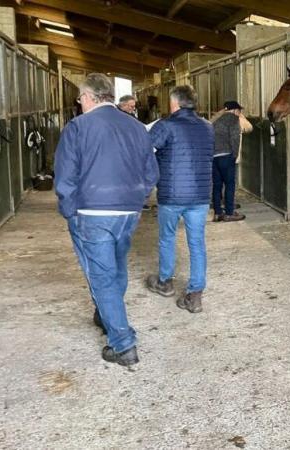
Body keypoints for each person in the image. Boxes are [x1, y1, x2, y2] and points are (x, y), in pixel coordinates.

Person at [54, 73, 158, 367]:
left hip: (92, 212)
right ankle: (106, 314)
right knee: (116, 265)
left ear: (87, 97)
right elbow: (151, 173)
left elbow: (65, 176)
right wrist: (137, 199)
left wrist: (69, 209)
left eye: (80, 100)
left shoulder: (78, 127)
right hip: (127, 212)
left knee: (101, 276)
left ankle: (123, 345)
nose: (80, 104)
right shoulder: (137, 127)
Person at [145, 85, 214, 314]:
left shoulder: (165, 125)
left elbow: (145, 151)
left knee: (167, 238)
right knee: (197, 243)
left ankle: (165, 282)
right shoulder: (207, 127)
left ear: (174, 103)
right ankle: (195, 295)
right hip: (201, 195)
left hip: (172, 194)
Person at [209, 100, 252, 222]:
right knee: (230, 184)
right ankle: (229, 213)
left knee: (217, 185)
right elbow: (235, 138)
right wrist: (234, 155)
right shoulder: (233, 120)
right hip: (226, 155)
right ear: (234, 110)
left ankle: (217, 213)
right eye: (239, 111)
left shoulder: (216, 121)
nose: (239, 113)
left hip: (214, 157)